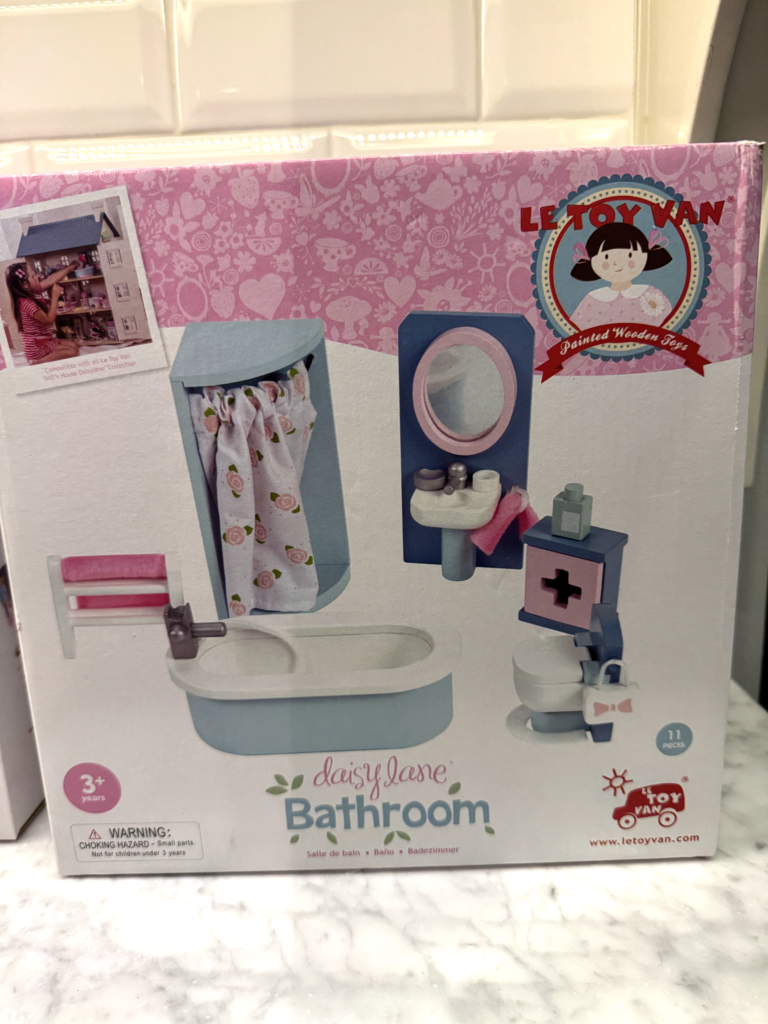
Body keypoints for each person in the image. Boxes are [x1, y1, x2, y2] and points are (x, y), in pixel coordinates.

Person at [569, 223, 673, 330]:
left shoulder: (651, 293)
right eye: (606, 257)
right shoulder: (592, 299)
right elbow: (576, 327)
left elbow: (669, 319)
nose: (617, 263)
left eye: (629, 255)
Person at [5, 261, 80, 364]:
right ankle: (37, 362)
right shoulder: (27, 304)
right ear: (25, 284)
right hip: (36, 347)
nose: (36, 277)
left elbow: (50, 280)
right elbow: (49, 320)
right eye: (32, 276)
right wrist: (54, 297)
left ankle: (42, 356)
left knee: (74, 345)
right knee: (72, 351)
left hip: (44, 340)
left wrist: (69, 268)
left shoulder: (31, 290)